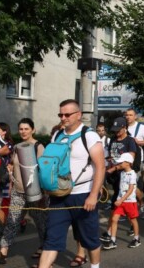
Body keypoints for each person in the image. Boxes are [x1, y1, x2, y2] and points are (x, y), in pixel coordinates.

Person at [38, 99, 105, 268]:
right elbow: (51, 165)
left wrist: (93, 195)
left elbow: (101, 167)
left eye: (67, 114)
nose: (63, 117)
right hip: (59, 196)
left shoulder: (89, 136)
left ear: (79, 115)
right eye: (61, 114)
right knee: (51, 239)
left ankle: (95, 266)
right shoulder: (57, 135)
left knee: (90, 238)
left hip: (83, 195)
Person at [0, 118, 47, 266]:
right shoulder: (17, 146)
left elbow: (43, 170)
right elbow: (14, 164)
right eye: (21, 129)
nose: (23, 131)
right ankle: (3, 251)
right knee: (12, 222)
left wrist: (44, 194)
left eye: (26, 129)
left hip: (35, 193)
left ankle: (45, 249)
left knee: (41, 223)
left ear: (33, 130)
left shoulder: (38, 146)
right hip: (18, 192)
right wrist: (11, 170)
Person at [100, 117, 138, 242]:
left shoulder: (130, 141)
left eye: (118, 130)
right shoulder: (112, 140)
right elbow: (110, 155)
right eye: (114, 130)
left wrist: (115, 168)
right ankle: (113, 229)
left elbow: (130, 159)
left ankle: (111, 231)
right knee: (118, 202)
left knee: (118, 202)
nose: (116, 133)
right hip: (114, 175)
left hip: (124, 176)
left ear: (124, 128)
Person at [102, 153, 140, 250]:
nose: (119, 164)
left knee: (133, 220)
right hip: (120, 201)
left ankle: (136, 238)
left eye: (122, 162)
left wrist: (121, 200)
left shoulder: (132, 174)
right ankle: (113, 240)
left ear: (128, 163)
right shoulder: (122, 173)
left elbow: (131, 189)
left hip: (129, 201)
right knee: (114, 219)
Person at [125, 109, 144, 216]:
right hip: (124, 162)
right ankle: (128, 210)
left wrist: (139, 142)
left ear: (135, 117)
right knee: (125, 185)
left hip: (137, 161)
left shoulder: (141, 128)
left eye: (130, 115)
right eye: (127, 115)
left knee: (133, 185)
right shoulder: (123, 127)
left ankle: (142, 203)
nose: (128, 117)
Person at [0, 123, 14, 229]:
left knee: (1, 202)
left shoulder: (8, 144)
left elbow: (2, 152)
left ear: (4, 132)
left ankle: (7, 226)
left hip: (4, 177)